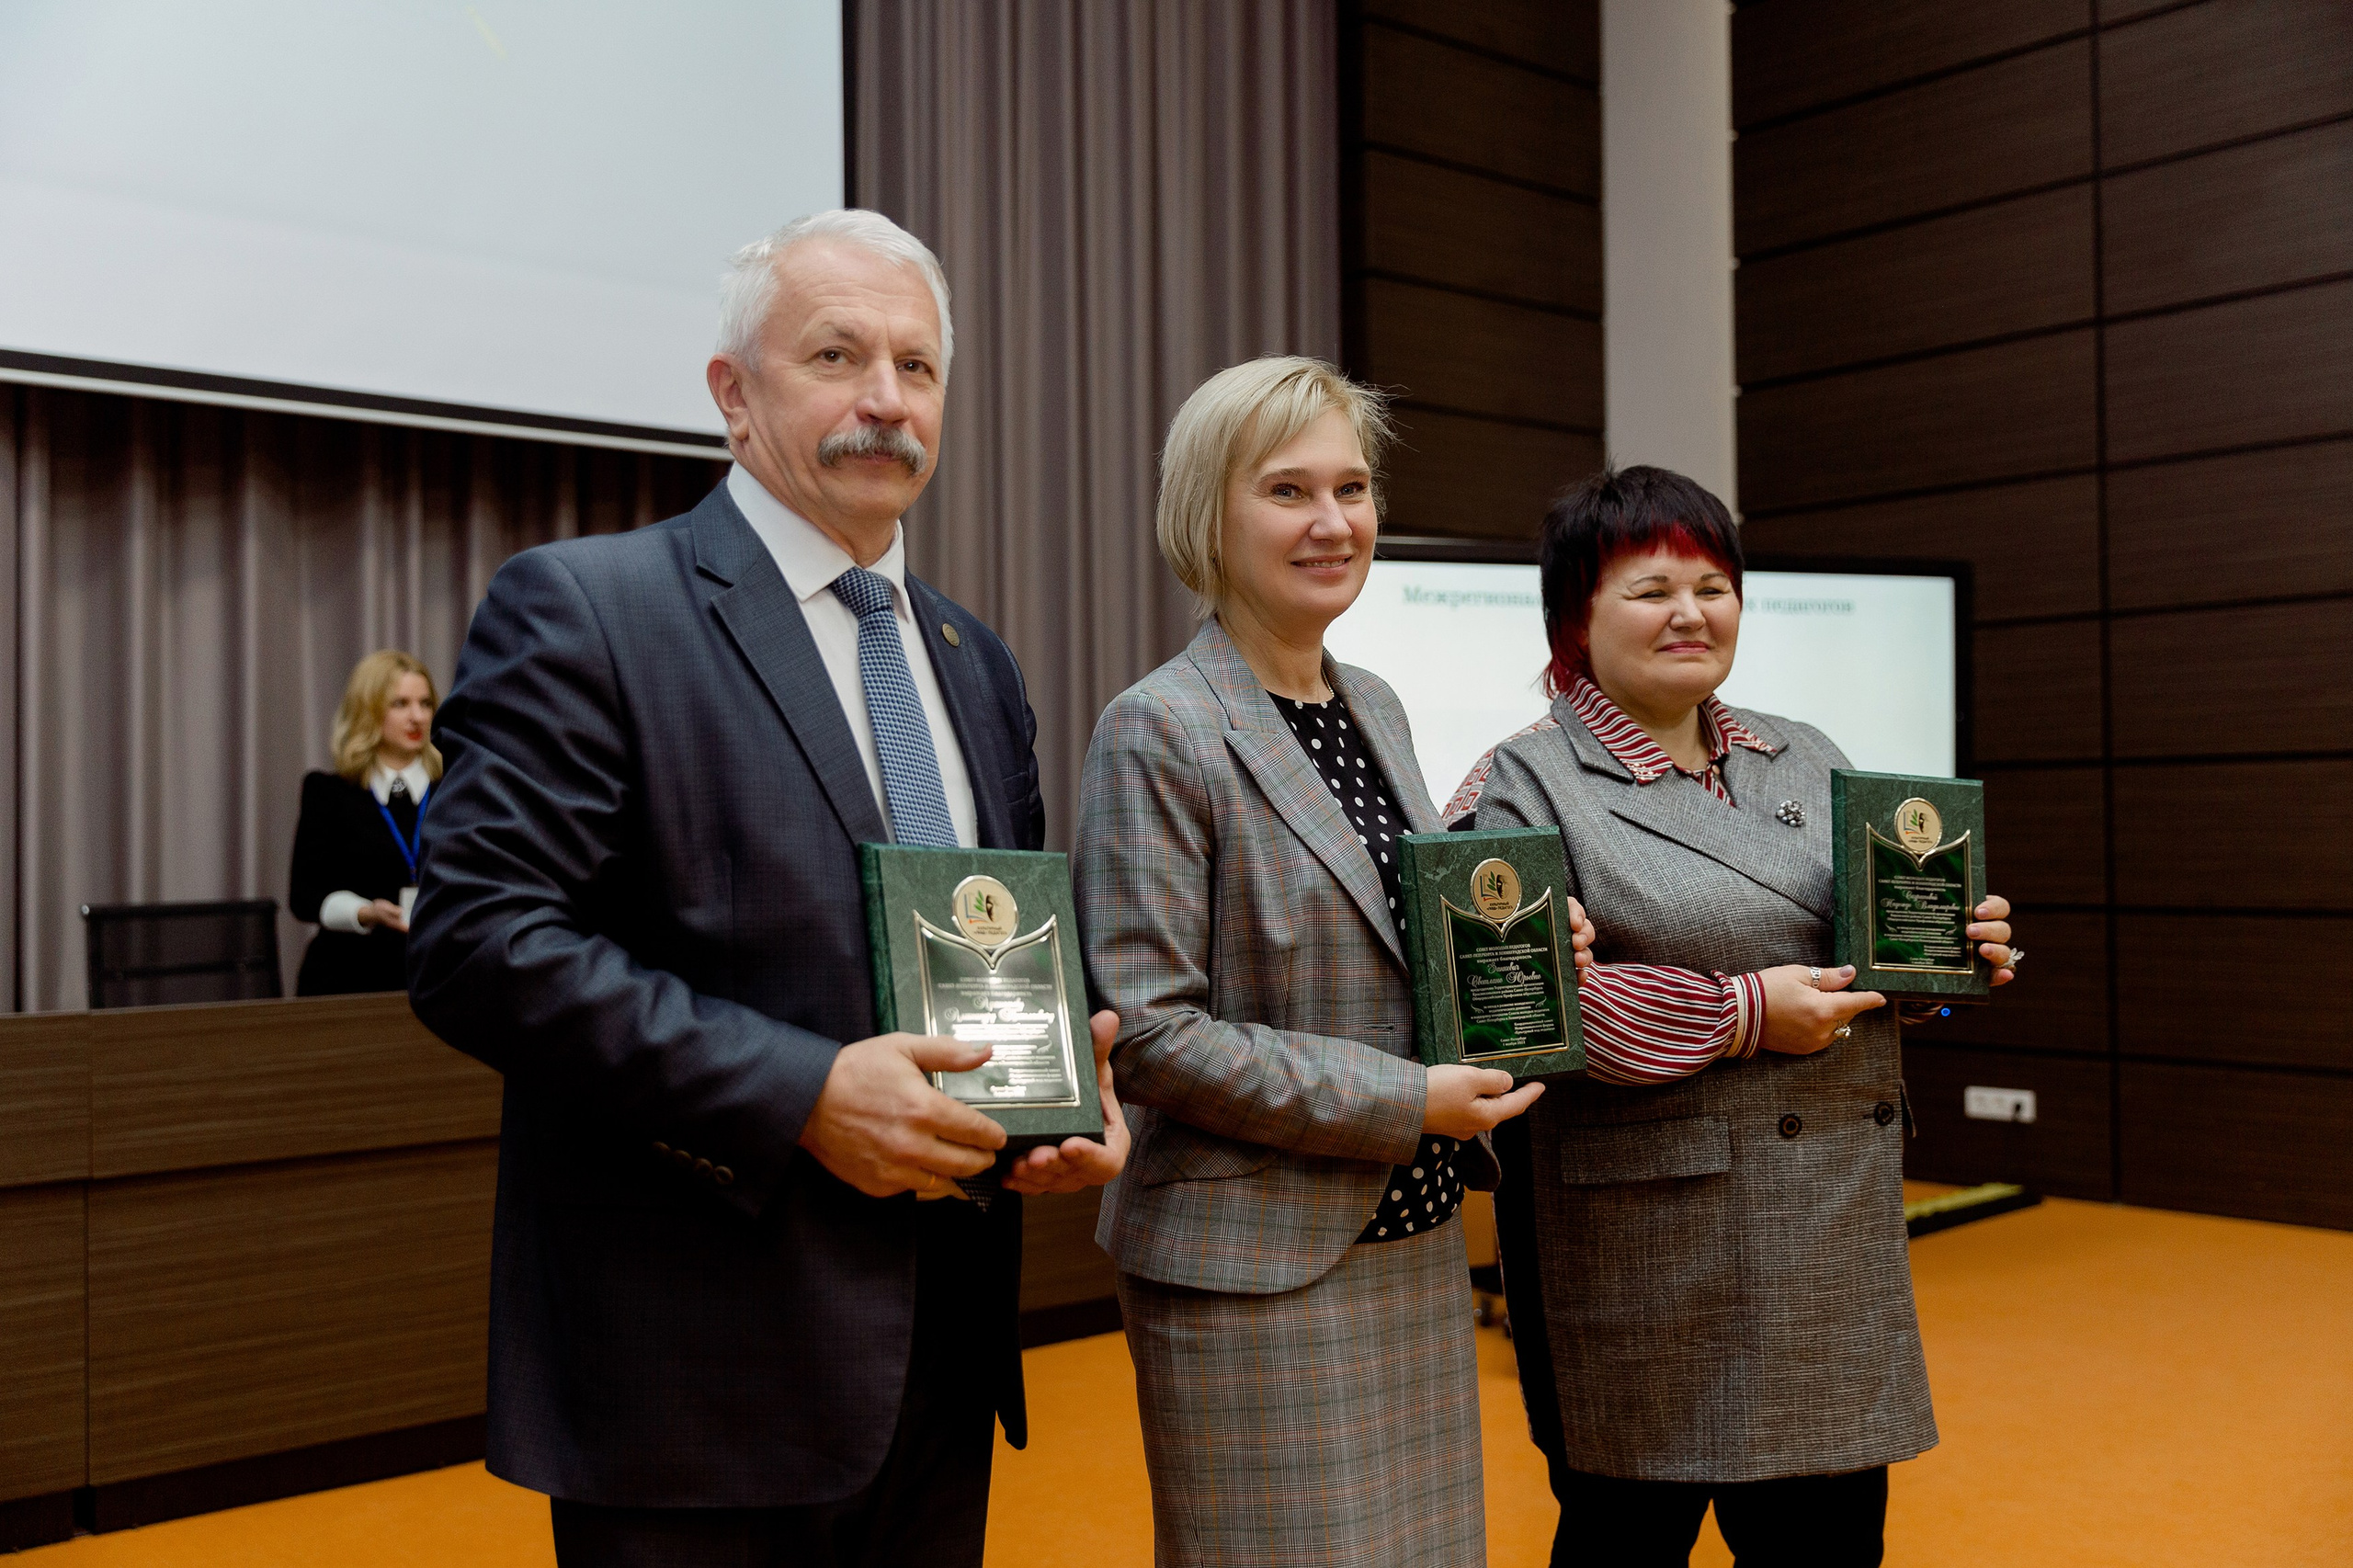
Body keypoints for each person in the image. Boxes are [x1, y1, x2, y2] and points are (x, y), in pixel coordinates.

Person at [406, 210, 1127, 1568]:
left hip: (938, 1366)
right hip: (699, 1384)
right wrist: (799, 1092)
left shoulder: (977, 661)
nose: (885, 401)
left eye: (918, 368)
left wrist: (1056, 1104)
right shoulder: (588, 608)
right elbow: (479, 943)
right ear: (733, 393)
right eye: (837, 355)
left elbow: (982, 952)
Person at [1449, 464, 2023, 1567]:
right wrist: (1744, 1012)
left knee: (1828, 1537)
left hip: (1829, 1231)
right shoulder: (1516, 784)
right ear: (1574, 616)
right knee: (1626, 1535)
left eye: (1713, 585)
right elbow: (1520, 1004)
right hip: (1652, 1245)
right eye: (1650, 587)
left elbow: (1874, 948)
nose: (1689, 612)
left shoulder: (1801, 749)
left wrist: (1952, 957)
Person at [1074, 356, 1589, 1567]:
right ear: (1210, 511)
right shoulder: (1158, 725)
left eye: (1352, 489)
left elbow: (1387, 929)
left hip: (1405, 1241)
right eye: (1288, 490)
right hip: (1254, 1267)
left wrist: (1512, 958)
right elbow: (1150, 1033)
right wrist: (1406, 1097)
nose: (1332, 522)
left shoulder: (1377, 701)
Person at [287, 649, 440, 995]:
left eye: (425, 703)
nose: (417, 717)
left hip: (436, 975)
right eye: (400, 704)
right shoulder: (328, 792)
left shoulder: (456, 790)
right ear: (368, 710)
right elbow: (305, 897)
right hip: (348, 975)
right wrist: (365, 912)